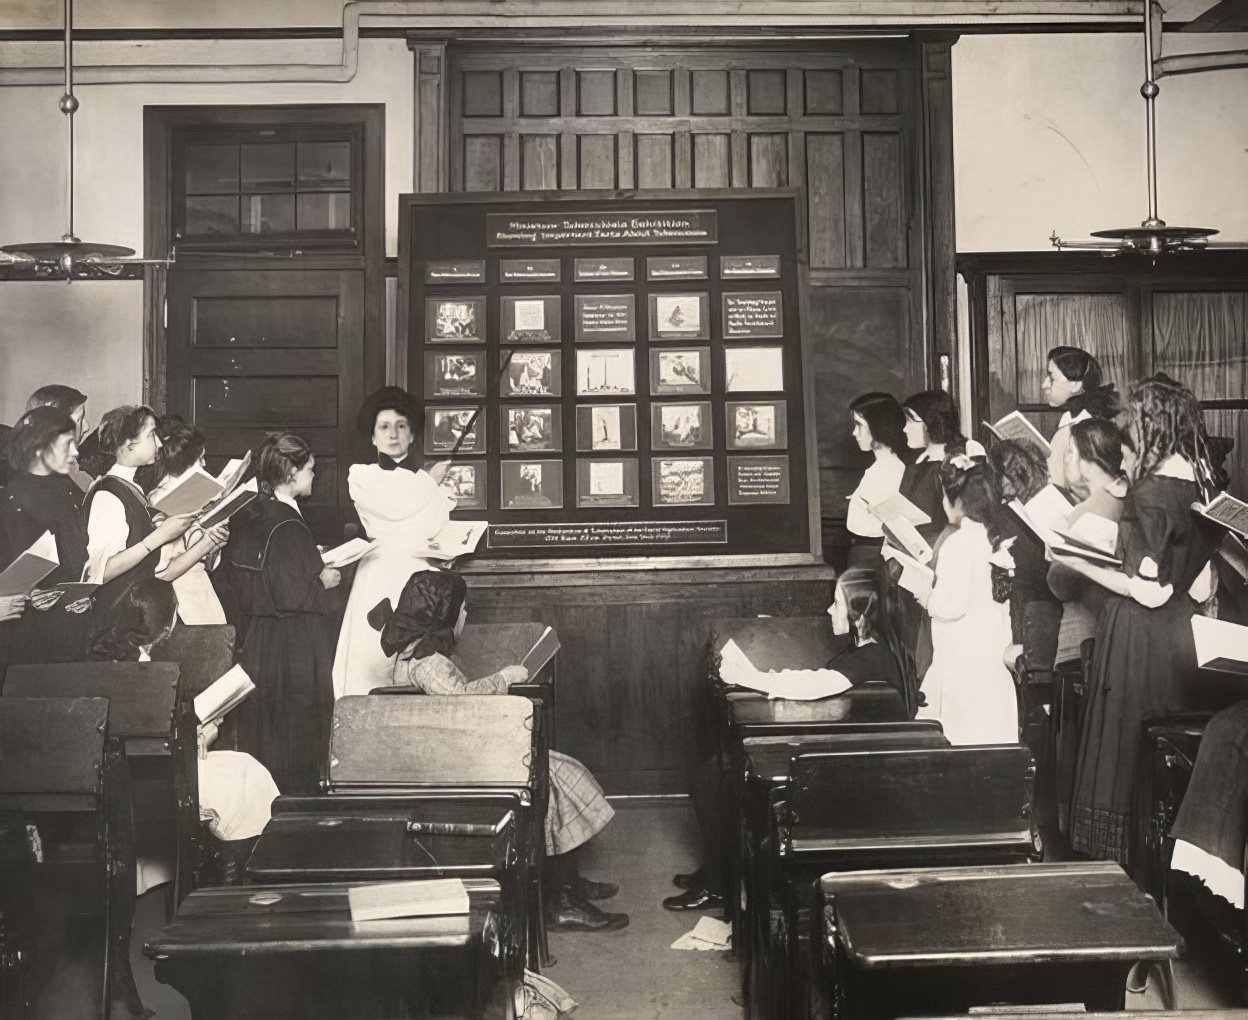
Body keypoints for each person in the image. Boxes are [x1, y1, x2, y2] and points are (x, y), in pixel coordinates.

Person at [371, 569, 628, 933]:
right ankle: (560, 899)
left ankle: (566, 883)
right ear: (444, 614)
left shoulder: (411, 652)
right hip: (457, 765)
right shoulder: (428, 661)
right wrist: (505, 678)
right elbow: (462, 701)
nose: (465, 616)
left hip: (447, 755)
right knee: (554, 775)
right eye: (462, 610)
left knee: (557, 768)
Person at [87, 576, 278, 1020]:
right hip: (157, 788)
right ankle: (231, 892)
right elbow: (168, 746)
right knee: (247, 780)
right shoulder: (149, 673)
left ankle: (231, 884)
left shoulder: (106, 657)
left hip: (126, 781)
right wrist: (202, 734)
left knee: (244, 772)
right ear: (164, 622)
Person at [665, 568, 910, 913]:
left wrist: (746, 677)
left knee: (712, 780)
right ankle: (719, 869)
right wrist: (766, 677)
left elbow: (816, 686)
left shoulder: (870, 657)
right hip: (847, 760)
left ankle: (721, 883)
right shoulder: (874, 650)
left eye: (836, 602)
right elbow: (823, 679)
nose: (829, 610)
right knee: (713, 775)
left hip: (848, 775)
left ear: (860, 614)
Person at [1062, 375, 1221, 868]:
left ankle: (1124, 869)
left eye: (1132, 421)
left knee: (1126, 747)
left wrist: (1079, 560)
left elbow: (1149, 591)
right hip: (1181, 634)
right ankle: (1157, 862)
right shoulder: (1199, 483)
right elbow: (1198, 584)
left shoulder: (1149, 490)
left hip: (1139, 634)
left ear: (1150, 424)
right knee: (1155, 755)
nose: (1126, 431)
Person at [225, 432, 345, 796]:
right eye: (309, 469)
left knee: (265, 737)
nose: (314, 476)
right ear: (291, 472)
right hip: (293, 647)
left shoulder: (252, 513)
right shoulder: (289, 525)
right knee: (296, 737)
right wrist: (325, 579)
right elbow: (295, 593)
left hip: (260, 642)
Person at [333, 387, 454, 698]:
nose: (393, 434)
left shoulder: (428, 482)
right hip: (379, 577)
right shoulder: (363, 477)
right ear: (372, 437)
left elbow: (440, 529)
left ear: (412, 434)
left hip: (422, 579)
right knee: (370, 664)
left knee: (419, 667)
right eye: (384, 427)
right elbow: (398, 505)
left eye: (401, 426)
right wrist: (430, 482)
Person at [83, 406, 227, 623]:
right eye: (151, 435)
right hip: (122, 620)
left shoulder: (132, 488)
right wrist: (160, 536)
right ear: (128, 443)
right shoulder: (107, 494)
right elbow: (100, 572)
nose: (159, 444)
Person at [912, 456, 1017, 746]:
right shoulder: (996, 538)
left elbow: (952, 605)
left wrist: (927, 597)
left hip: (963, 668)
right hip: (993, 665)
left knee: (961, 746)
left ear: (957, 501)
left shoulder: (958, 543)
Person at [0, 406, 90, 662]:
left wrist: (82, 596)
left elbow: (75, 559)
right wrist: (27, 596)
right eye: (67, 445)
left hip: (67, 630)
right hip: (20, 641)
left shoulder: (68, 492)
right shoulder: (9, 498)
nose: (75, 451)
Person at [1046, 418, 1131, 669]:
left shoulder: (1091, 510)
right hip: (1115, 630)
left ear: (1090, 460)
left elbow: (1060, 584)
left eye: (1070, 452)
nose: (1064, 460)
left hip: (1083, 633)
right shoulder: (1125, 495)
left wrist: (1054, 555)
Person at [139, 417, 227, 625]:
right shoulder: (160, 499)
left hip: (201, 593)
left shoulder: (197, 496)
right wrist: (208, 543)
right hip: (177, 605)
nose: (205, 464)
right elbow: (164, 571)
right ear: (186, 460)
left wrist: (216, 540)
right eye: (201, 459)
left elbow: (208, 563)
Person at [900, 389, 983, 544]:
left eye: (910, 421)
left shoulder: (969, 451)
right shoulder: (919, 462)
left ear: (930, 422)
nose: (904, 429)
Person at [1040, 346, 1120, 487]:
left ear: (1076, 385)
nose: (1044, 385)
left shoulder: (1085, 424)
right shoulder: (1070, 416)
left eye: (1052, 378)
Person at [846, 392, 908, 567]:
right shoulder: (878, 467)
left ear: (878, 426)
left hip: (876, 557)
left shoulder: (892, 470)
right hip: (864, 554)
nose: (854, 433)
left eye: (859, 425)